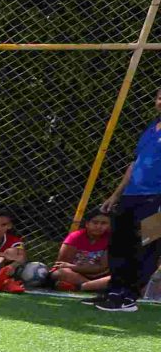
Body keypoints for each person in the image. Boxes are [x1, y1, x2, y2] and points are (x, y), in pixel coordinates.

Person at [95, 82, 161, 309]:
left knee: (146, 246)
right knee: (119, 244)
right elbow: (135, 164)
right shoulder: (151, 128)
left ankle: (129, 297)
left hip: (157, 198)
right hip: (131, 196)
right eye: (160, 97)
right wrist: (116, 195)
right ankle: (114, 290)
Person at [49, 208, 113, 298]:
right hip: (75, 275)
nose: (99, 226)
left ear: (109, 226)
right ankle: (95, 287)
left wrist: (72, 266)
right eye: (95, 223)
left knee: (118, 277)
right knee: (60, 273)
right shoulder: (75, 237)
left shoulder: (111, 239)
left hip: (99, 275)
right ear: (87, 224)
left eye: (104, 223)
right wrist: (73, 268)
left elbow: (101, 267)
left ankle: (82, 287)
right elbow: (62, 264)